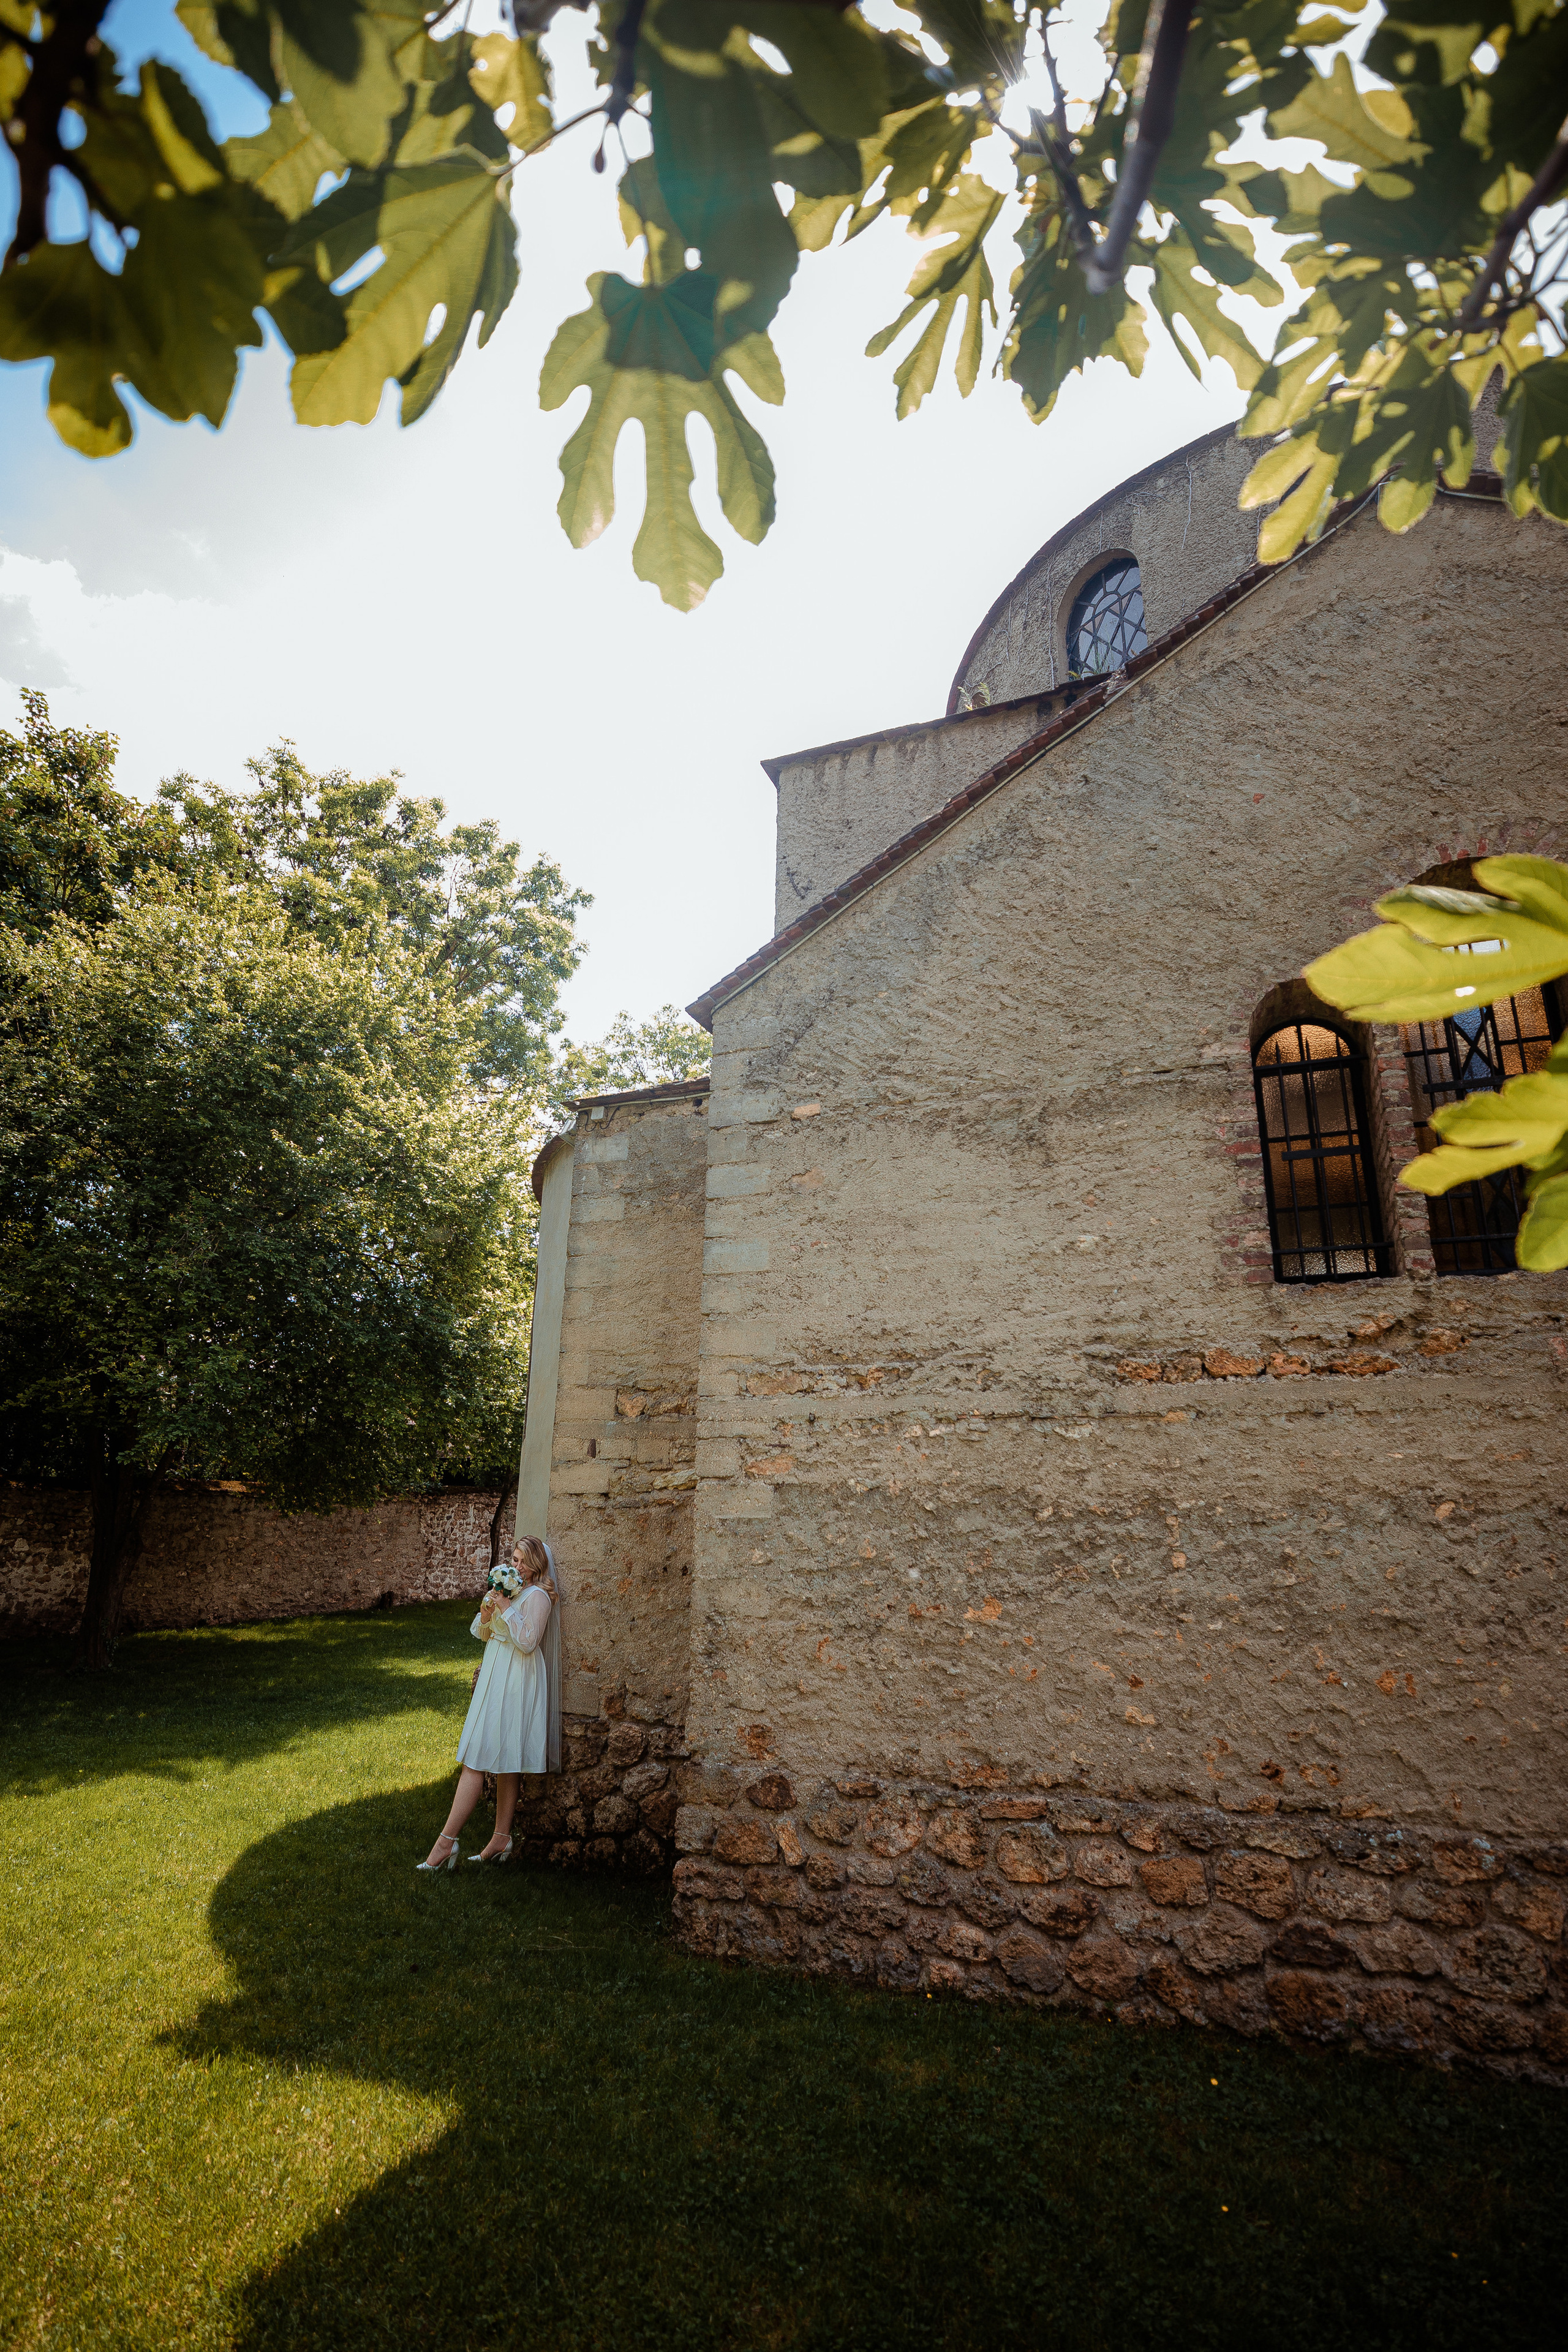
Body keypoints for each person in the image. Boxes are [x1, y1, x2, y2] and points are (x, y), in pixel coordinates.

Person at [417, 1537, 559, 1871]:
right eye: (514, 1559)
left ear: (538, 1564)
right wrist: (485, 1614)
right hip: (496, 1674)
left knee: (475, 1758)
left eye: (524, 1561)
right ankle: (501, 1838)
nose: (518, 1566)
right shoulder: (508, 1592)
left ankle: (445, 1844)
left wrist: (507, 1609)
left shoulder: (537, 1597)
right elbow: (482, 1633)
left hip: (517, 1679)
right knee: (502, 1758)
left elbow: (527, 1642)